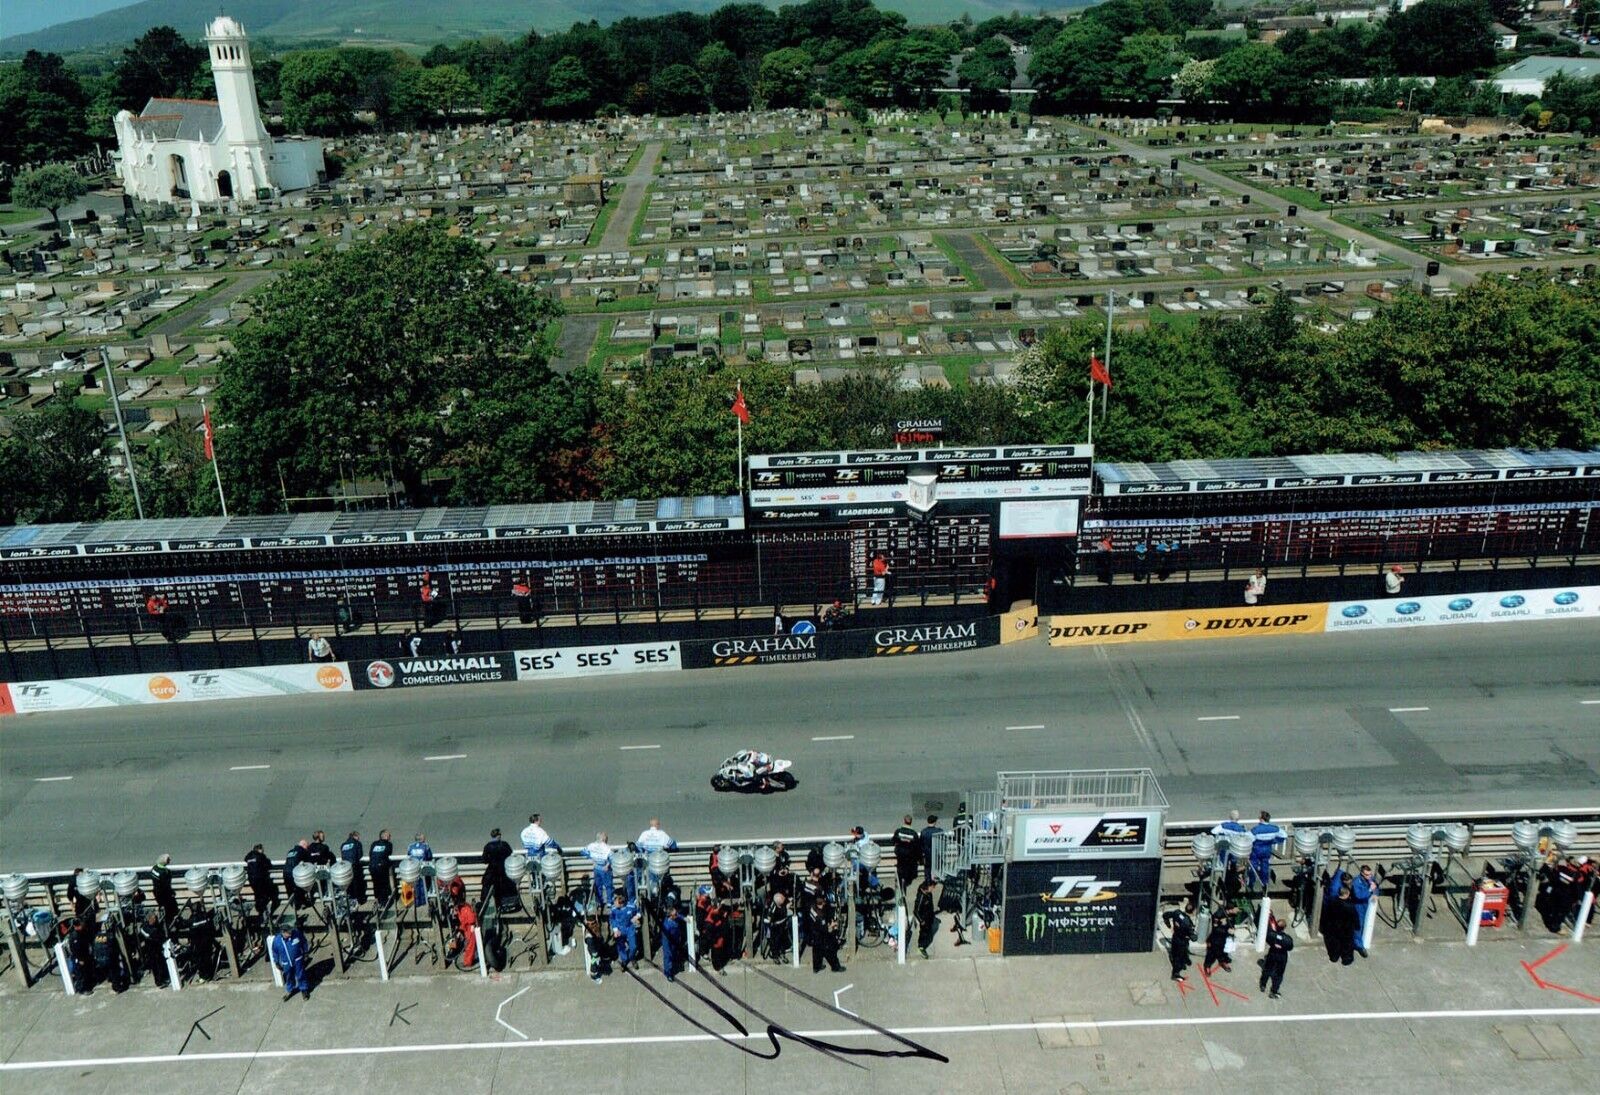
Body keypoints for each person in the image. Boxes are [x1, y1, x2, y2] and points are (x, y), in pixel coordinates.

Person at [269, 922, 311, 1001]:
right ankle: (290, 990)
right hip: (286, 963)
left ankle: (304, 989)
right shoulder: (277, 941)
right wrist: (276, 962)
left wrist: (306, 952)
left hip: (297, 960)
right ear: (283, 932)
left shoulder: (297, 934)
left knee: (301, 974)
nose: (290, 933)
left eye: (291, 931)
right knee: (288, 977)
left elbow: (304, 942)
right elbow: (275, 952)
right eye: (288, 932)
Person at [805, 894, 844, 973]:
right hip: (821, 934)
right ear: (821, 904)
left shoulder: (812, 908)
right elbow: (826, 929)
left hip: (813, 933)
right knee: (830, 950)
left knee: (816, 951)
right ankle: (835, 967)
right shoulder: (820, 916)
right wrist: (833, 926)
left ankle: (816, 967)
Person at [1322, 884, 1359, 965]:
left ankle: (1334, 957)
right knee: (1347, 945)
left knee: (1335, 944)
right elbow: (1355, 917)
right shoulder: (1350, 906)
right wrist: (1357, 926)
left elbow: (1326, 914)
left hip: (1334, 928)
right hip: (1346, 929)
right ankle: (1346, 959)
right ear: (1347, 894)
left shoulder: (1332, 902)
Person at [1248, 812, 1285, 890]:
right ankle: (1265, 883)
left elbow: (1248, 839)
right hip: (1267, 849)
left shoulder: (1256, 829)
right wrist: (1274, 841)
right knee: (1265, 866)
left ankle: (1251, 882)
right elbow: (1284, 835)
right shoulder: (1274, 828)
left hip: (1256, 850)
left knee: (1253, 866)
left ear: (1261, 819)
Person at [1259, 916, 1294, 998]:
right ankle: (1274, 991)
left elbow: (1268, 940)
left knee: (1267, 969)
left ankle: (1263, 985)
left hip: (1272, 954)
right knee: (1279, 974)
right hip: (1282, 957)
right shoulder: (1287, 939)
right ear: (1284, 928)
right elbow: (1290, 947)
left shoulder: (1271, 935)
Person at [1163, 900, 1196, 982]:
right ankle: (1175, 974)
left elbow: (1165, 915)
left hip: (1175, 937)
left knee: (1175, 951)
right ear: (1193, 911)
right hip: (1182, 941)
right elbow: (1193, 938)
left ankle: (1185, 960)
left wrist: (1168, 924)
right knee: (1179, 956)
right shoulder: (1188, 924)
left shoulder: (1177, 913)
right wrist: (1195, 935)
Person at [1349, 865, 1380, 956]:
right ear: (1362, 874)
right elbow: (1358, 895)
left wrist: (1375, 893)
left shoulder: (1370, 878)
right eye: (1367, 875)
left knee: (1367, 924)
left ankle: (1360, 940)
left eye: (1370, 875)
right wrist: (1370, 890)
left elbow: (1376, 887)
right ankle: (1359, 945)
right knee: (1358, 926)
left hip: (1368, 904)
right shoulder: (1356, 882)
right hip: (1358, 906)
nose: (1369, 877)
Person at [609, 892, 642, 972]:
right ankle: (624, 960)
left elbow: (639, 911)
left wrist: (636, 917)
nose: (614, 904)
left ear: (621, 904)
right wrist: (615, 930)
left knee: (633, 946)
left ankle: (632, 957)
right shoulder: (613, 910)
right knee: (620, 947)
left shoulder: (630, 906)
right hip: (620, 929)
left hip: (630, 928)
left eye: (616, 903)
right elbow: (611, 919)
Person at [244, 843, 278, 918]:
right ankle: (264, 911)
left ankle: (260, 910)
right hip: (261, 879)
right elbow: (269, 865)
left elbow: (245, 859)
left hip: (252, 880)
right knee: (267, 894)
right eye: (262, 849)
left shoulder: (249, 856)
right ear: (259, 849)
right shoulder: (261, 856)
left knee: (257, 894)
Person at [137, 910, 169, 988]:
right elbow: (152, 936)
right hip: (151, 950)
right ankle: (159, 982)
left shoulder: (154, 926)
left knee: (161, 963)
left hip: (157, 949)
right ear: (149, 919)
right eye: (154, 918)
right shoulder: (145, 928)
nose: (155, 919)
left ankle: (164, 978)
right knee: (156, 966)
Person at [1203, 903, 1237, 975]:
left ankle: (1223, 962)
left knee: (1224, 951)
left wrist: (1232, 929)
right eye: (1235, 909)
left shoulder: (1232, 915)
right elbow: (1215, 928)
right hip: (1216, 938)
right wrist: (1226, 930)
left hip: (1225, 937)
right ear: (1230, 910)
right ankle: (1207, 966)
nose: (1237, 910)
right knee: (1211, 953)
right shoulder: (1218, 915)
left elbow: (1232, 923)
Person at [481, 828, 513, 905]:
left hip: (492, 871)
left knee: (486, 885)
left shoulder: (488, 846)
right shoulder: (504, 845)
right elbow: (510, 854)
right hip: (503, 870)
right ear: (499, 836)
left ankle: (485, 902)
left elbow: (484, 860)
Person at [893, 815, 921, 896]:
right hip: (909, 855)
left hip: (900, 854)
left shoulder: (898, 831)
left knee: (901, 867)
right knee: (907, 868)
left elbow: (894, 840)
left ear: (904, 821)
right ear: (911, 822)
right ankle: (905, 880)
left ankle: (901, 879)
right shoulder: (914, 833)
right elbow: (917, 846)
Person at [584, 833, 615, 905]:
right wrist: (607, 865)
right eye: (606, 839)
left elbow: (584, 852)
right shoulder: (607, 848)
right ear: (603, 839)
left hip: (596, 868)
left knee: (598, 885)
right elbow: (612, 858)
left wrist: (593, 860)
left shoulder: (592, 846)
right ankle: (609, 902)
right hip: (605, 869)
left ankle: (599, 901)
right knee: (608, 886)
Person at [660, 902, 687, 982]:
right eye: (675, 914)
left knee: (674, 952)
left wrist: (684, 918)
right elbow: (666, 938)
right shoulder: (666, 925)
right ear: (670, 916)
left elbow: (679, 915)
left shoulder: (674, 917)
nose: (677, 915)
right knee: (668, 956)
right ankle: (668, 973)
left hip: (675, 939)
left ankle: (674, 964)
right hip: (668, 942)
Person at [150, 853, 180, 922]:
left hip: (156, 892)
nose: (170, 860)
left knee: (162, 905)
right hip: (164, 895)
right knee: (172, 908)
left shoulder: (154, 868)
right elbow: (166, 886)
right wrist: (172, 893)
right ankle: (170, 921)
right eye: (168, 859)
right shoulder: (166, 872)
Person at [369, 830, 395, 908]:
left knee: (376, 884)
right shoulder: (389, 844)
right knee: (383, 884)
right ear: (385, 836)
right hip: (382, 867)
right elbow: (389, 853)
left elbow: (370, 854)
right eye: (389, 836)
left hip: (372, 866)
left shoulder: (374, 844)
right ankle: (384, 902)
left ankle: (377, 900)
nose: (390, 837)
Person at [914, 879, 938, 959]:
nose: (933, 889)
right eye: (933, 887)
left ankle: (926, 939)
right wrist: (921, 921)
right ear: (928, 886)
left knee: (928, 932)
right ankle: (921, 947)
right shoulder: (921, 897)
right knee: (924, 933)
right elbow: (916, 911)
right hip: (924, 920)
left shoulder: (929, 894)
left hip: (929, 917)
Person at [339, 832, 366, 904]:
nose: (359, 838)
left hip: (345, 868)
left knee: (349, 884)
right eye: (358, 837)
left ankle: (350, 899)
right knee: (357, 883)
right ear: (355, 836)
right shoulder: (357, 843)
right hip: (354, 866)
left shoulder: (343, 845)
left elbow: (342, 856)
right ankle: (359, 900)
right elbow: (360, 855)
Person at [283, 840, 309, 908]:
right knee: (302, 884)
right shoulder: (302, 851)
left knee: (290, 890)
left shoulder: (290, 851)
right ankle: (303, 902)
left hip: (285, 872)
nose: (307, 848)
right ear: (303, 845)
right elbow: (309, 862)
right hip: (294, 873)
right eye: (307, 846)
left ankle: (294, 905)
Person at [919, 815, 943, 881]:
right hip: (936, 853)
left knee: (927, 870)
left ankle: (928, 882)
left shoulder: (923, 831)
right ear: (935, 822)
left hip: (927, 855)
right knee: (939, 868)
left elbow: (921, 844)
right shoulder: (938, 831)